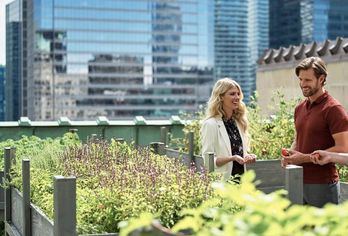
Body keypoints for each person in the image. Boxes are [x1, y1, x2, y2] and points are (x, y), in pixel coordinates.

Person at [282, 57, 348, 207]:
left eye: (308, 80)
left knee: (323, 231)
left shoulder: (333, 109)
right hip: (297, 181)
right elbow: (299, 138)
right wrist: (290, 155)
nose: (303, 84)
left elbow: (344, 148)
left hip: (322, 185)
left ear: (321, 79)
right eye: (300, 79)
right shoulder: (299, 108)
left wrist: (302, 158)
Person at [201, 78, 256, 181]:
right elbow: (208, 162)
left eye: (238, 94)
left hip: (242, 181)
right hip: (222, 183)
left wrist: (248, 156)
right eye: (232, 94)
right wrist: (232, 158)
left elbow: (241, 153)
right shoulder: (210, 124)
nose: (237, 97)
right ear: (221, 97)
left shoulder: (239, 122)